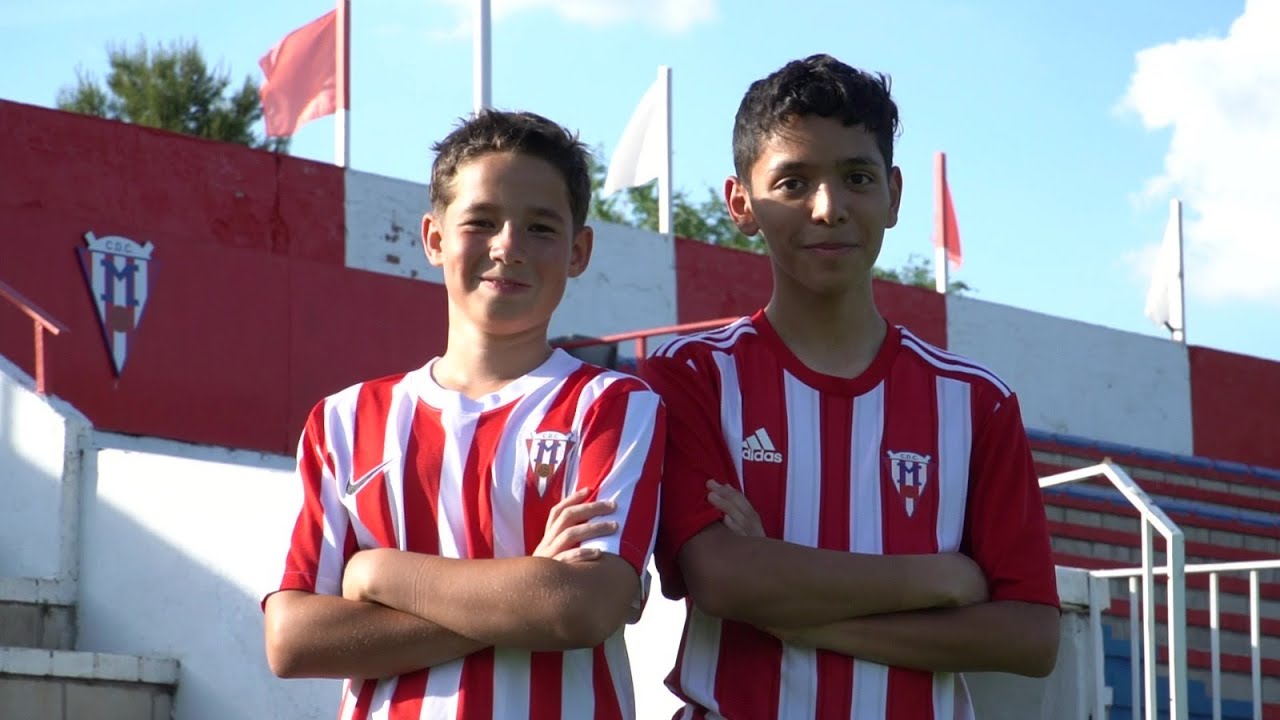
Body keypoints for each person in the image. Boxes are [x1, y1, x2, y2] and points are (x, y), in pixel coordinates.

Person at [640, 54, 1061, 719]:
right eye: (793, 181)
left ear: (893, 195)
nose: (829, 208)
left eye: (856, 178)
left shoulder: (975, 401)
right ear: (741, 203)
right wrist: (942, 577)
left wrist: (799, 617)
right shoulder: (689, 374)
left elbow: (1030, 637)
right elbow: (723, 579)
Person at [262, 109, 665, 720]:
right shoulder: (344, 420)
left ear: (579, 251)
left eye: (540, 228)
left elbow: (582, 609)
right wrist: (529, 589)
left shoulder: (611, 406)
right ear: (434, 238)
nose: (508, 246)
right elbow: (293, 639)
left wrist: (380, 575)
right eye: (481, 221)